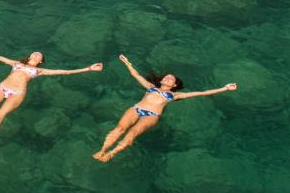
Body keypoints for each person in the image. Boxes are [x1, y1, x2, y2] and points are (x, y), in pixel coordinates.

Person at [0, 41, 103, 163]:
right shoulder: (17, 63)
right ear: (30, 56)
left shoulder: (39, 71)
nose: (36, 54)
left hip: (17, 94)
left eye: (39, 55)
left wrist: (88, 69)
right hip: (1, 88)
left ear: (40, 61)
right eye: (34, 53)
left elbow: (64, 72)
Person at [92, 54, 237, 162]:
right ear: (161, 80)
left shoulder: (175, 95)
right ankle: (103, 150)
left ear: (173, 85)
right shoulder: (150, 87)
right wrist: (127, 63)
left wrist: (224, 88)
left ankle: (112, 154)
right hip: (136, 108)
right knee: (119, 129)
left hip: (151, 116)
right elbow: (136, 75)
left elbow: (201, 93)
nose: (167, 78)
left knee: (132, 133)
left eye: (171, 78)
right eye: (166, 77)